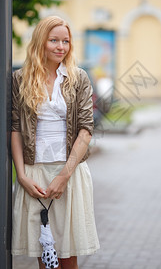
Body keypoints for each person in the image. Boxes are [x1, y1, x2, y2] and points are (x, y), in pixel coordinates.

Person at [11, 16, 100, 269]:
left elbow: (86, 129)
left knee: (68, 257)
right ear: (41, 41)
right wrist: (22, 175)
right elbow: (15, 128)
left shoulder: (78, 78)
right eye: (54, 40)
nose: (61, 46)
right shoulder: (21, 79)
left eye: (66, 41)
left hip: (69, 172)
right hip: (35, 172)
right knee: (45, 256)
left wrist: (64, 175)